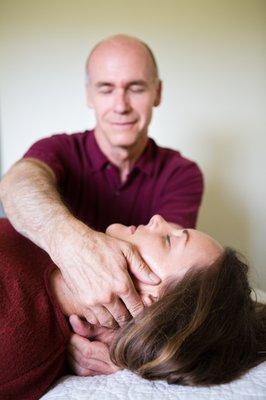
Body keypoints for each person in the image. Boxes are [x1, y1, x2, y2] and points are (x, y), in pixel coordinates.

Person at [0, 34, 204, 334]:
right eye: (106, 89)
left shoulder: (182, 174)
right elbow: (17, 186)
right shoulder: (59, 150)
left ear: (157, 93)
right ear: (89, 95)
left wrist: (106, 339)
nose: (120, 105)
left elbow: (163, 283)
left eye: (135, 88)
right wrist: (72, 242)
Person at [0, 216, 265, 400]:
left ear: (149, 302)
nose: (158, 219)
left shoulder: (17, 343)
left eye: (169, 241)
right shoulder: (60, 238)